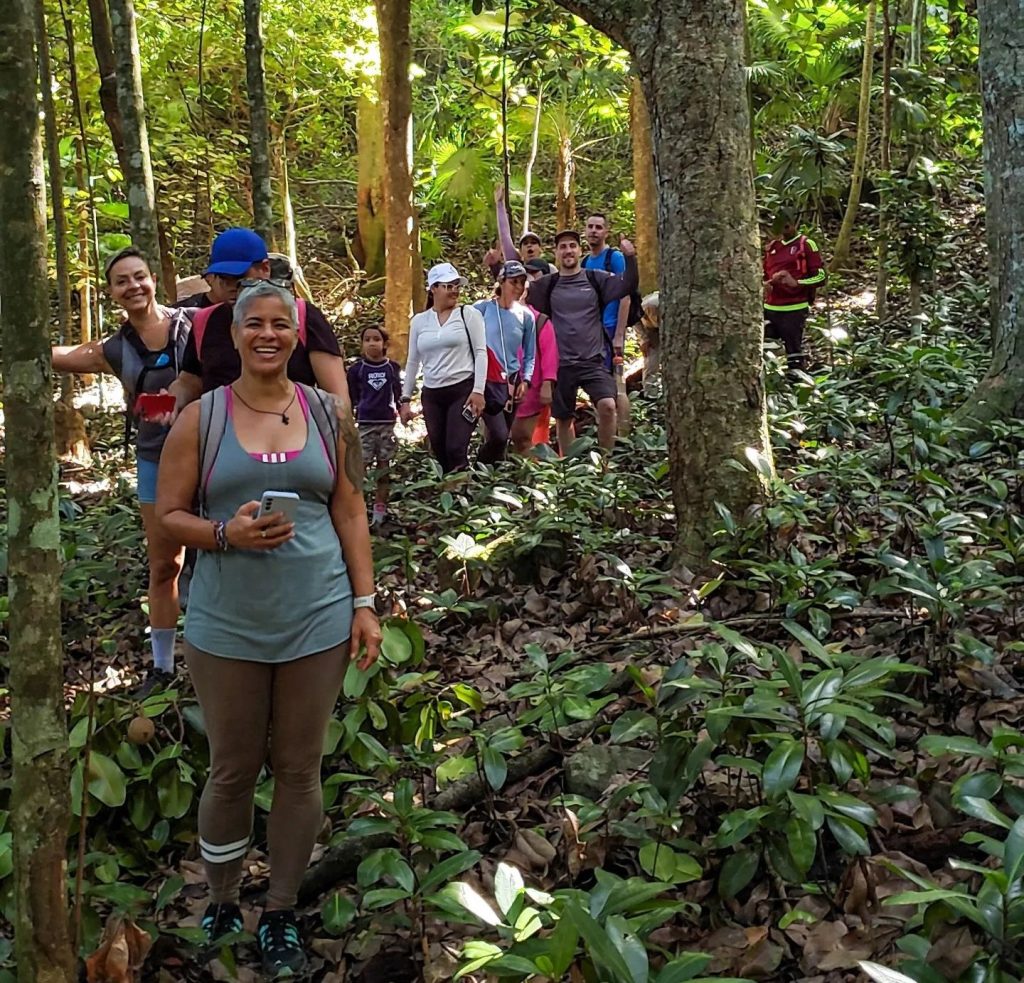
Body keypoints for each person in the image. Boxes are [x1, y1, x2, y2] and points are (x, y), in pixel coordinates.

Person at [156, 281, 381, 978]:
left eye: (281, 323)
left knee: (298, 767)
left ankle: (280, 906)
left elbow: (349, 510)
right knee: (231, 768)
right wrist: (225, 533)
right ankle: (223, 896)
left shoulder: (328, 411)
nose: (267, 334)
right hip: (226, 622)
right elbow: (167, 517)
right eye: (253, 323)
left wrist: (365, 601)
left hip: (316, 613)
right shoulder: (201, 418)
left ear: (297, 333)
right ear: (232, 333)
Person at [51, 248, 189, 694]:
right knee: (165, 564)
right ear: (111, 293)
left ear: (153, 280)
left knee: (222, 555)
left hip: (209, 456)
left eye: (139, 277)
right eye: (122, 281)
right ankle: (164, 667)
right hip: (154, 462)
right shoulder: (114, 348)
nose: (133, 286)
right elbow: (63, 355)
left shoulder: (191, 326)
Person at [167, 228, 349, 410]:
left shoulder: (303, 316)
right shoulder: (204, 321)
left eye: (239, 277)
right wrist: (172, 401)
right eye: (224, 278)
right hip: (222, 433)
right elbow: (190, 380)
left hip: (292, 431)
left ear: (265, 269)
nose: (232, 287)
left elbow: (337, 398)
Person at [527, 230, 638, 452]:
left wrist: (630, 258)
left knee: (608, 406)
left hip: (592, 361)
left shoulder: (595, 278)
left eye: (572, 246)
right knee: (563, 418)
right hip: (561, 364)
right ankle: (568, 469)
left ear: (579, 250)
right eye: (563, 247)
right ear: (556, 253)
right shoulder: (547, 285)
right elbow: (514, 284)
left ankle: (605, 463)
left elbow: (627, 285)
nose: (568, 250)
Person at [399, 263, 487, 474]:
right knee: (439, 450)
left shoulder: (469, 314)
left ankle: (460, 496)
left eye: (456, 286)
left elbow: (481, 352)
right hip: (432, 393)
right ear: (434, 289)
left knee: (456, 447)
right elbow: (413, 361)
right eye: (448, 286)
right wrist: (405, 399)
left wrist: (478, 390)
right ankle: (451, 494)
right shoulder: (420, 321)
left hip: (462, 390)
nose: (454, 291)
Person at [473, 260, 536, 464]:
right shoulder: (482, 309)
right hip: (488, 380)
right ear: (502, 282)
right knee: (498, 435)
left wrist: (526, 380)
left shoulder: (526, 316)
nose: (518, 287)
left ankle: (493, 482)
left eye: (522, 282)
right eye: (513, 282)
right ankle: (476, 471)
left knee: (503, 436)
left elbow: (529, 354)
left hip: (512, 382)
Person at [348, 326, 402, 527]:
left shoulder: (392, 368)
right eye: (367, 339)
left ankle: (379, 511)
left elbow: (398, 392)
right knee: (359, 468)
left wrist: (402, 409)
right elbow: (351, 396)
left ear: (385, 344)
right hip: (364, 423)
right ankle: (356, 510)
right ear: (362, 344)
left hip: (387, 423)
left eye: (377, 339)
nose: (372, 343)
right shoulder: (356, 370)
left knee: (383, 468)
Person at [763, 208, 826, 371]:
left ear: (791, 225)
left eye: (786, 227)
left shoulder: (805, 244)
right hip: (770, 308)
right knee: (765, 351)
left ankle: (797, 383)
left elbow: (821, 276)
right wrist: (766, 284)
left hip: (794, 308)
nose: (782, 232)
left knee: (793, 354)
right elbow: (764, 274)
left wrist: (797, 282)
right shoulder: (772, 247)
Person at [510, 258, 559, 454]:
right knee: (504, 437)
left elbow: (549, 354)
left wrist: (548, 382)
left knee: (524, 438)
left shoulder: (539, 320)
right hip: (501, 389)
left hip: (530, 388)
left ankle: (531, 478)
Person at [580, 212, 630, 357]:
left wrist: (619, 335)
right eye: (590, 227)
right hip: (590, 329)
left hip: (610, 328)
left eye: (598, 227)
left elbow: (625, 297)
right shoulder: (584, 262)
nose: (593, 230)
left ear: (606, 232)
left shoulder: (614, 258)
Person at [485, 186, 557, 277]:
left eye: (533, 243)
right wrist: (499, 204)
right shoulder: (516, 267)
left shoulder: (550, 269)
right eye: (525, 243)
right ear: (520, 252)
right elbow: (505, 237)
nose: (529, 245)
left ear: (540, 249)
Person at [638, 292, 661, 396]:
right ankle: (651, 394)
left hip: (672, 330)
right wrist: (644, 339)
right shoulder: (643, 307)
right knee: (651, 360)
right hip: (651, 331)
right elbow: (635, 320)